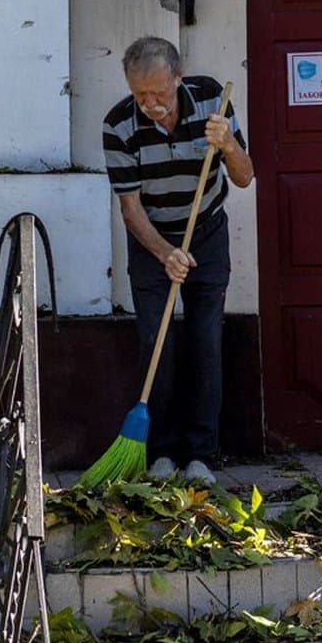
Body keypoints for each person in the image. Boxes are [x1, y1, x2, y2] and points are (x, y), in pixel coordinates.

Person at [102, 37, 253, 485]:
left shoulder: (211, 100)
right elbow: (130, 209)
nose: (150, 104)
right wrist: (165, 254)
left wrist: (227, 144)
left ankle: (201, 454)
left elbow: (245, 177)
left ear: (177, 78)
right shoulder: (118, 125)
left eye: (159, 94)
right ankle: (162, 451)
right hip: (152, 240)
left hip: (206, 233)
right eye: (140, 95)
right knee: (158, 342)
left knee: (205, 340)